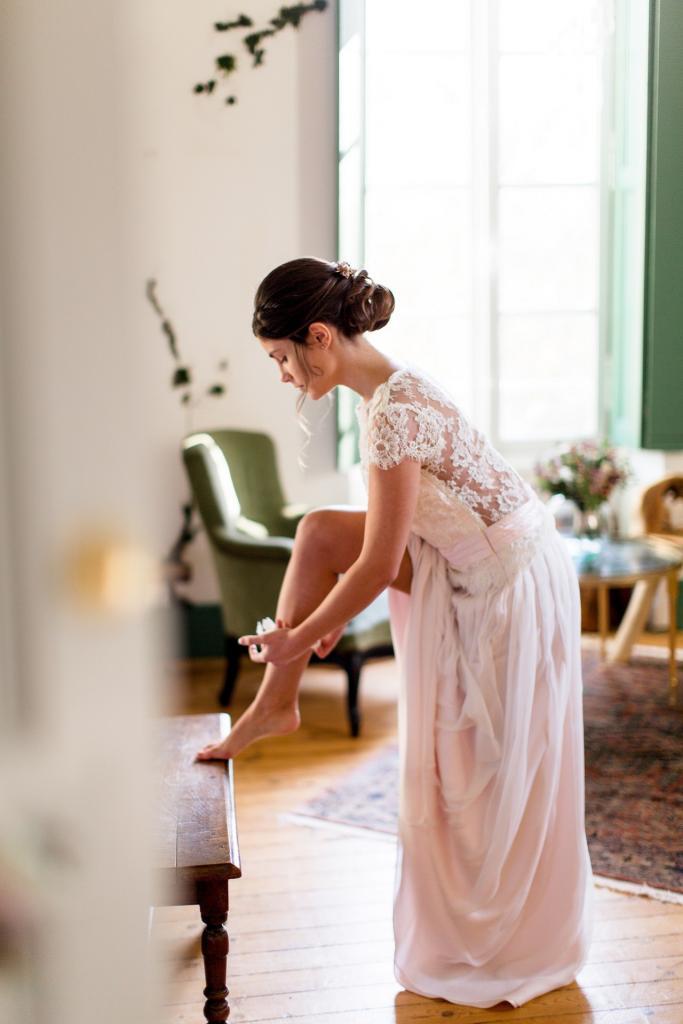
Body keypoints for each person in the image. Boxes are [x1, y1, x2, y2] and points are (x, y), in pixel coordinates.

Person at [195, 256, 594, 1009]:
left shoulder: (392, 409)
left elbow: (379, 563)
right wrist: (313, 626)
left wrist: (304, 631)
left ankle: (506, 934)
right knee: (316, 533)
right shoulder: (387, 392)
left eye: (282, 358)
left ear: (317, 337)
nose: (283, 376)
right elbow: (382, 546)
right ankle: (274, 706)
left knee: (476, 768)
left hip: (506, 578)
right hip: (464, 549)